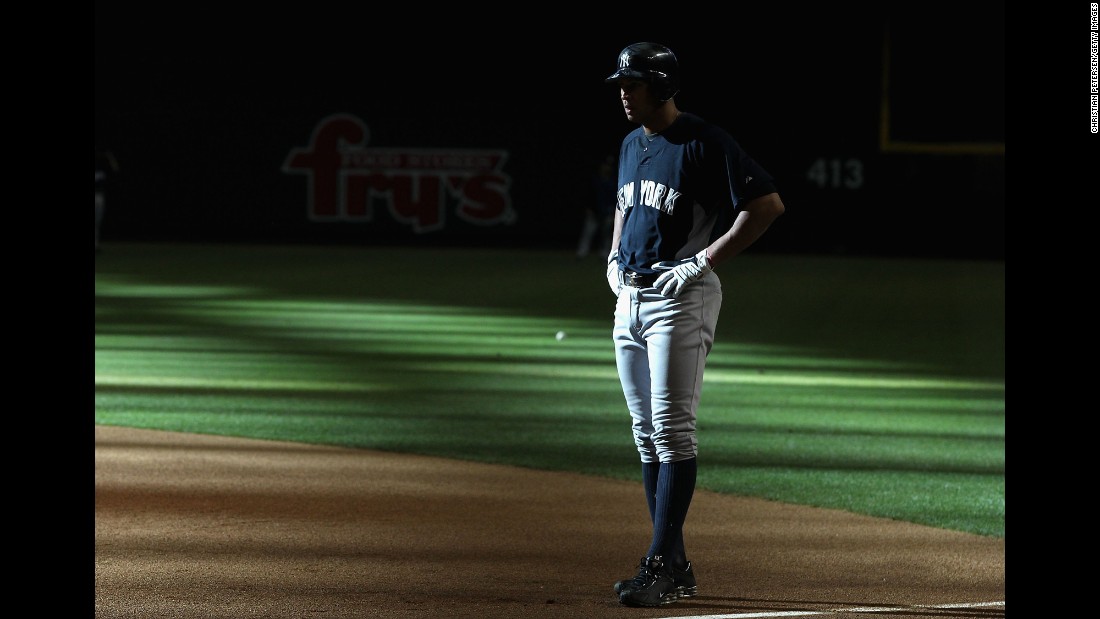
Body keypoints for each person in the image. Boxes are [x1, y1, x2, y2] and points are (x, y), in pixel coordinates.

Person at [603, 42, 786, 608]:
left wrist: (702, 261)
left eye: (632, 85)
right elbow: (623, 206)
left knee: (672, 430)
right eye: (622, 85)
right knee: (644, 435)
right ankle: (673, 562)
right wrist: (612, 258)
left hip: (680, 299)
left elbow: (766, 206)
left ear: (661, 86)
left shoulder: (706, 141)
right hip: (629, 300)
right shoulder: (632, 142)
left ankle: (660, 561)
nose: (624, 94)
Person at [575, 152, 618, 258]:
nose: (607, 168)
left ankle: (605, 254)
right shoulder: (595, 179)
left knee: (607, 235)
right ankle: (582, 252)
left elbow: (616, 197)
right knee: (588, 233)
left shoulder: (613, 180)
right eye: (605, 165)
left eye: (609, 166)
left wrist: (614, 210)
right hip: (594, 211)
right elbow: (588, 195)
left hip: (608, 211)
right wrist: (588, 208)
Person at [95, 148, 119, 252]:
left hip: (100, 196)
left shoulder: (102, 168)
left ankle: (96, 245)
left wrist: (110, 157)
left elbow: (115, 169)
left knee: (97, 222)